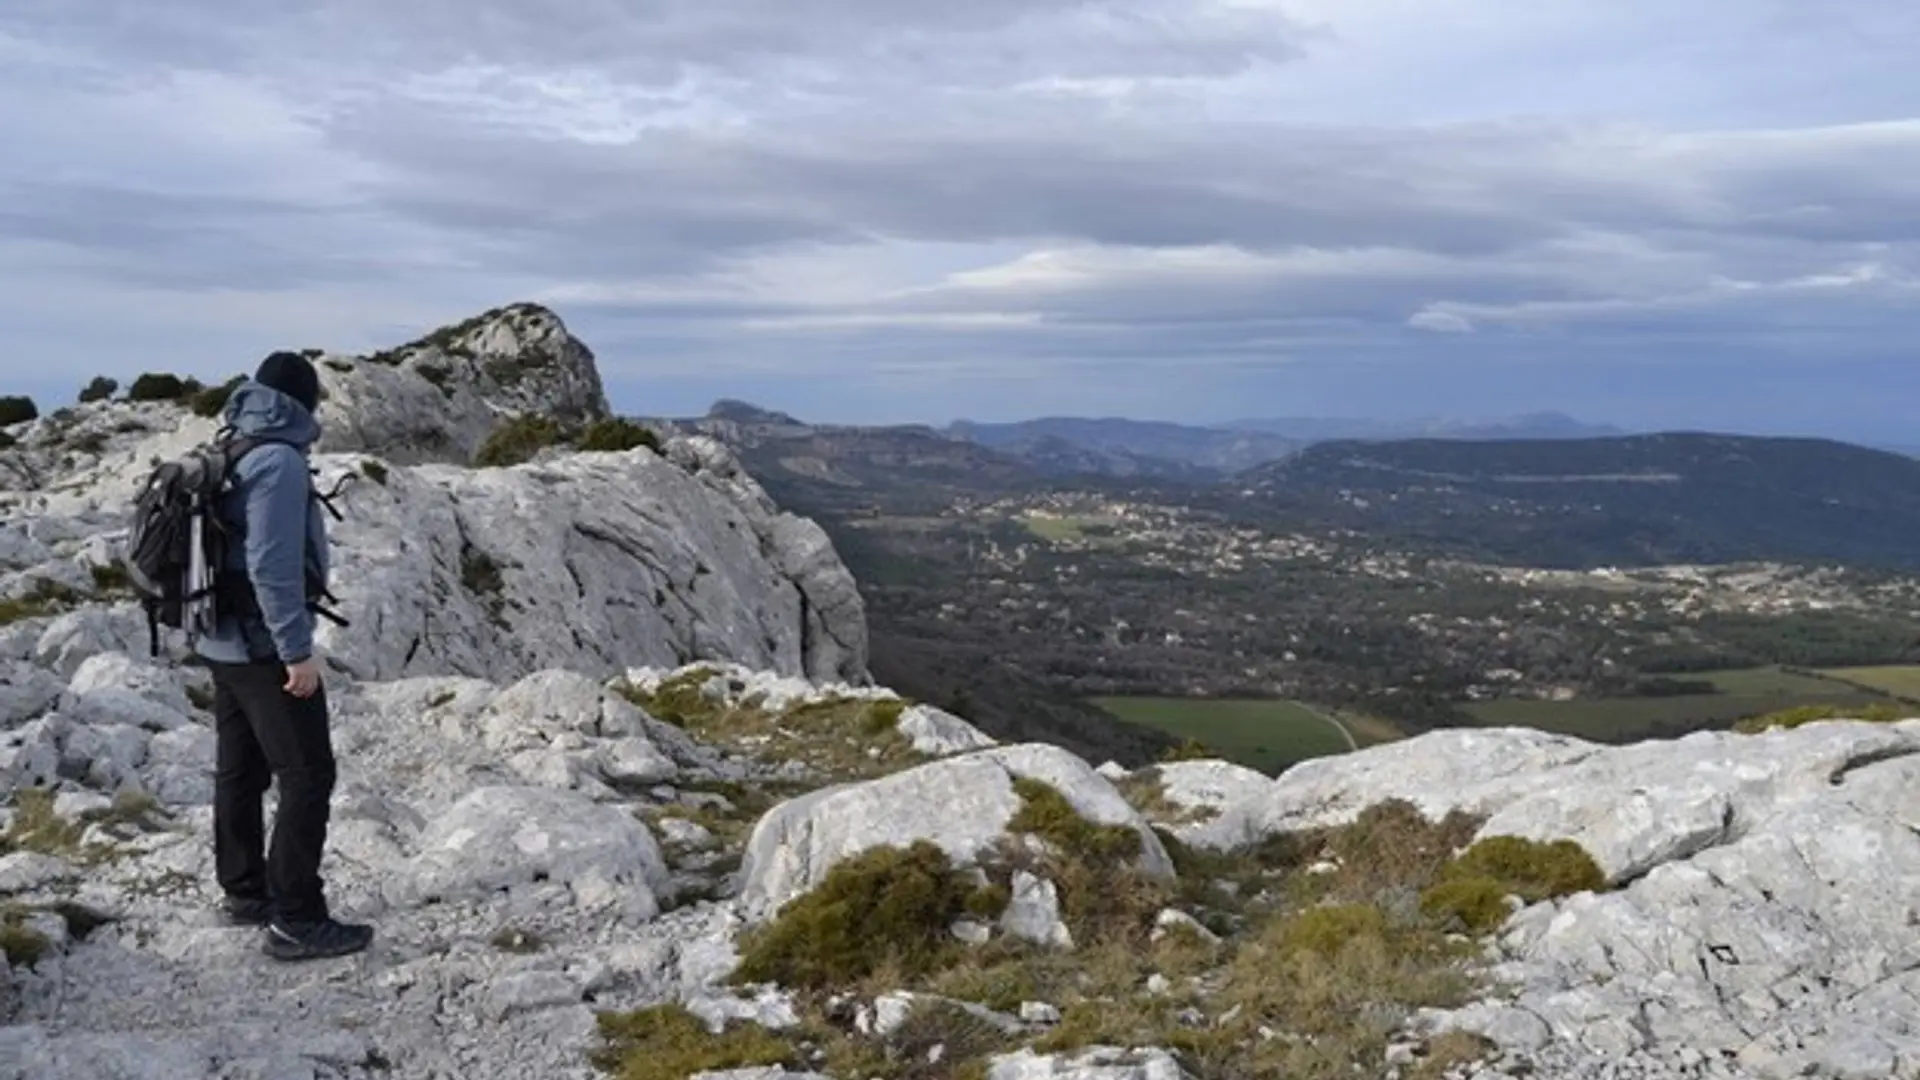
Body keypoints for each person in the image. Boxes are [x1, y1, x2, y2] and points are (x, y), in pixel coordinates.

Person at [195, 351, 372, 961]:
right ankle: (297, 917)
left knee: (240, 770)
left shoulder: (234, 442)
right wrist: (297, 652)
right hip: (262, 644)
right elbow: (272, 566)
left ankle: (245, 894)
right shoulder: (280, 461)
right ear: (305, 404)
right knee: (308, 775)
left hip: (220, 638)